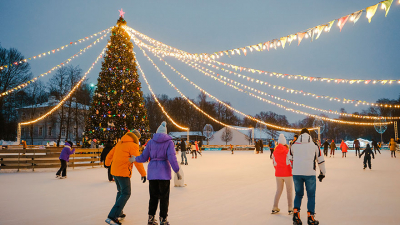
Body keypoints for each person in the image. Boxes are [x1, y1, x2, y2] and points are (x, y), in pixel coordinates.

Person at [132, 121, 182, 225]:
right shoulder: (169, 142)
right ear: (165, 133)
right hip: (164, 174)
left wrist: (135, 159)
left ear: (157, 132)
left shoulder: (150, 142)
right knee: (164, 197)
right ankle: (163, 219)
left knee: (153, 197)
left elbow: (144, 157)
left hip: (153, 174)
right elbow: (172, 158)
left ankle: (151, 218)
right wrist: (177, 170)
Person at [105, 130, 146, 225]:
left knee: (121, 192)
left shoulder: (120, 143)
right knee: (126, 193)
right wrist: (143, 174)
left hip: (114, 171)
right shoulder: (133, 145)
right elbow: (137, 160)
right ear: (136, 138)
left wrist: (107, 163)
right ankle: (112, 216)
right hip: (123, 172)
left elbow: (110, 154)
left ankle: (118, 212)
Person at [290, 128, 326, 225]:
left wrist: (294, 167)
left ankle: (296, 217)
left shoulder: (294, 145)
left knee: (298, 194)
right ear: (309, 134)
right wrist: (323, 172)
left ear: (300, 134)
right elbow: (320, 159)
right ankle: (310, 218)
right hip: (310, 173)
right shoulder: (314, 145)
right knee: (311, 195)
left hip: (297, 174)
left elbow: (288, 158)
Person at [271, 134, 293, 215]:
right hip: (288, 174)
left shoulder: (275, 152)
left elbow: (274, 164)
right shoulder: (287, 151)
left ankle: (274, 206)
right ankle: (290, 208)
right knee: (289, 191)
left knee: (278, 190)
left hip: (278, 174)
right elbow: (291, 162)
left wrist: (278, 170)